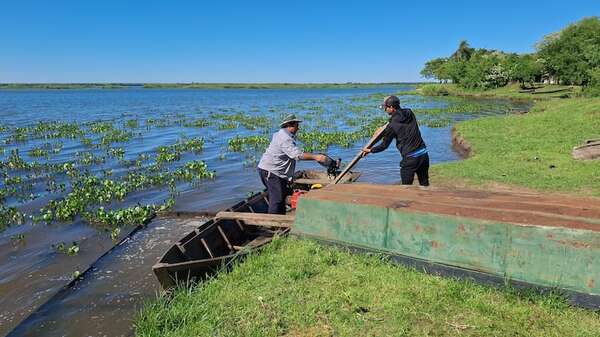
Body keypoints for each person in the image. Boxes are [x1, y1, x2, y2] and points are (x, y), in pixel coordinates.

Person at [257, 113, 328, 214]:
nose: (298, 128)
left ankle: (280, 220)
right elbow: (296, 155)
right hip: (271, 172)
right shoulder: (284, 138)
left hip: (273, 171)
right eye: (297, 126)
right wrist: (316, 157)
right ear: (290, 125)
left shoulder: (282, 135)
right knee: (276, 200)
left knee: (281, 197)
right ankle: (273, 223)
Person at [362, 95, 430, 186]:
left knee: (406, 188)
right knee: (424, 184)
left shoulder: (391, 127)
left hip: (410, 159)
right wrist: (383, 128)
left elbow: (384, 146)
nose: (384, 110)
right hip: (423, 154)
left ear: (391, 107)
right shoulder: (409, 112)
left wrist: (370, 150)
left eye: (385, 107)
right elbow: (397, 118)